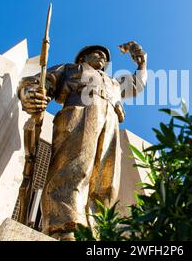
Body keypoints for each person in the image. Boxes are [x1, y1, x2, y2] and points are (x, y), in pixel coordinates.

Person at [17, 41, 147, 240]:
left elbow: (136, 85)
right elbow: (40, 82)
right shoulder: (71, 69)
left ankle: (94, 232)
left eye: (104, 57)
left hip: (110, 120)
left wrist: (142, 64)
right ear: (83, 58)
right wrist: (30, 94)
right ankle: (64, 228)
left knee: (106, 182)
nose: (102, 58)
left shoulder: (113, 82)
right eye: (97, 54)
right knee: (73, 170)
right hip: (80, 112)